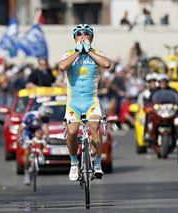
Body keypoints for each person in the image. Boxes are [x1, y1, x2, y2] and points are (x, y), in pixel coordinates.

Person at [58, 24, 111, 181]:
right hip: (74, 102)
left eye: (86, 34)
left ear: (91, 38)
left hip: (91, 101)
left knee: (95, 126)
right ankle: (74, 163)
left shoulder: (96, 54)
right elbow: (61, 66)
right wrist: (77, 52)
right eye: (79, 34)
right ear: (75, 38)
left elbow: (107, 64)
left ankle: (97, 163)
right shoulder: (68, 54)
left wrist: (89, 52)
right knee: (72, 132)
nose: (82, 37)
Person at [18, 105, 53, 185]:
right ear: (40, 114)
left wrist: (46, 137)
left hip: (37, 130)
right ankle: (26, 172)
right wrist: (20, 137)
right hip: (28, 131)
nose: (44, 119)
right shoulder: (31, 116)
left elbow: (45, 128)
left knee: (40, 136)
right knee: (27, 152)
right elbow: (21, 127)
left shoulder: (45, 118)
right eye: (43, 117)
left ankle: (40, 154)